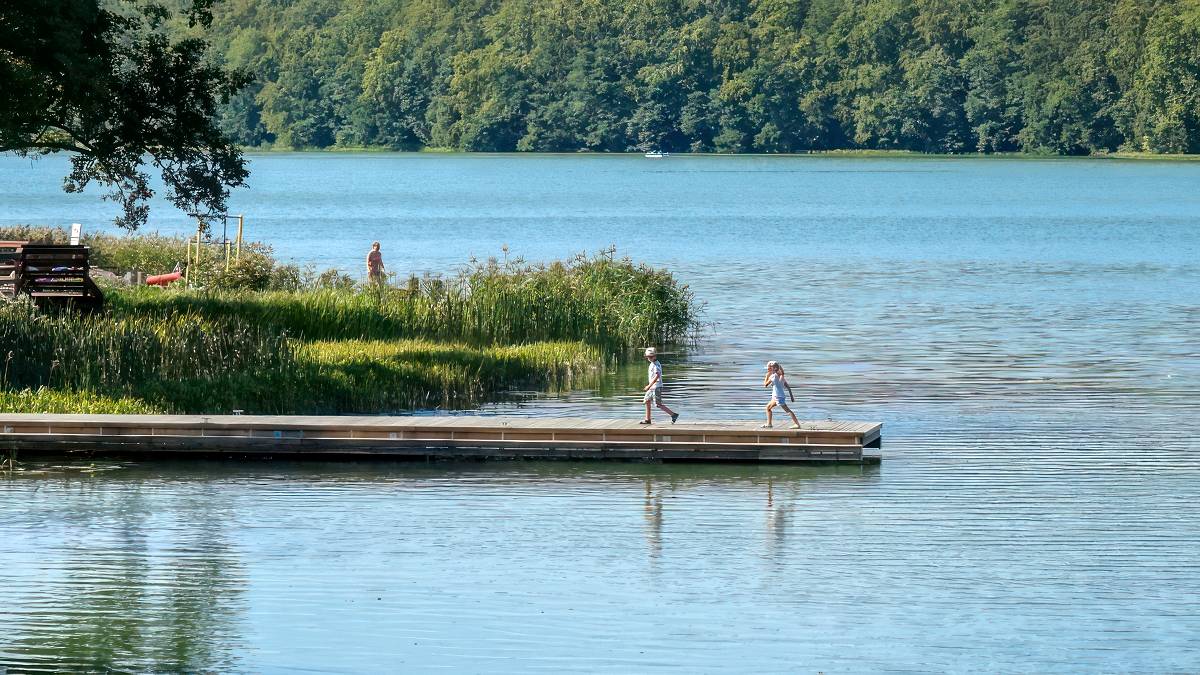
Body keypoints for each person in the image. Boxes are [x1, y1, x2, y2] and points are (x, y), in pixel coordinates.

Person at [640, 347, 679, 425]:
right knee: (647, 400)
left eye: (651, 357)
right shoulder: (652, 364)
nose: (649, 358)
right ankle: (648, 419)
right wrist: (650, 386)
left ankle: (673, 415)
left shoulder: (656, 365)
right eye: (648, 357)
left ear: (655, 356)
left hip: (656, 387)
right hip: (652, 387)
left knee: (658, 404)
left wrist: (649, 385)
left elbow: (657, 376)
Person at [762, 360, 800, 428]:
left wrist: (767, 376)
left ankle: (797, 424)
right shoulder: (781, 376)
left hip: (778, 397)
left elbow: (765, 385)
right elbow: (788, 387)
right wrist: (792, 397)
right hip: (778, 396)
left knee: (787, 410)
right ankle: (769, 424)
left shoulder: (773, 376)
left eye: (768, 368)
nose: (767, 370)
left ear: (772, 368)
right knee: (768, 408)